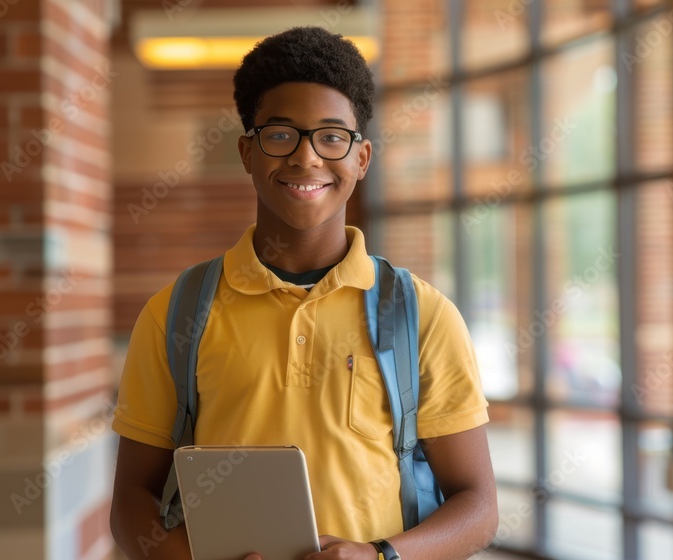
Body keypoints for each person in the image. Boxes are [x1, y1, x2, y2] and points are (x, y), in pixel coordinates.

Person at [109, 26, 497, 560]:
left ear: (361, 159)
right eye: (281, 134)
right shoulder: (175, 313)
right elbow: (132, 498)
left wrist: (380, 556)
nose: (307, 158)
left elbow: (478, 507)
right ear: (248, 151)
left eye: (332, 136)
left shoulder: (422, 315)